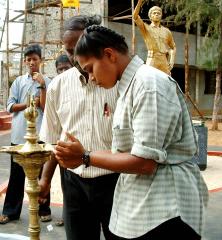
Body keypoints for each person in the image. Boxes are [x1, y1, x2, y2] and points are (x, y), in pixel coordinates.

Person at [54, 25, 209, 240]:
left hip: (165, 210)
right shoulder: (129, 86)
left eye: (90, 69)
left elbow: (144, 162)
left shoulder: (148, 85)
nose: (90, 78)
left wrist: (85, 157)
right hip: (144, 205)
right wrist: (83, 155)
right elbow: (124, 152)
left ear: (109, 54)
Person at [38, 15, 119, 240]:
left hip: (116, 181)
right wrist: (45, 180)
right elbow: (54, 142)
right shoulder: (58, 87)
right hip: (74, 183)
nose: (74, 57)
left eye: (79, 47)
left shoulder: (120, 83)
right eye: (69, 50)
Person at [0, 44, 51, 224]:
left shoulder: (48, 82)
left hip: (40, 136)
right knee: (16, 176)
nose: (31, 63)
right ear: (24, 62)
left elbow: (47, 108)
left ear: (41, 61)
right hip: (19, 136)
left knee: (41, 175)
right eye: (28, 60)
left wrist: (43, 87)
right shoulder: (19, 82)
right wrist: (29, 104)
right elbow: (10, 106)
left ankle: (43, 209)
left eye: (35, 59)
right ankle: (11, 211)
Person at [54, 53, 73, 227]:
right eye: (60, 70)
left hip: (80, 148)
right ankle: (66, 216)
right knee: (65, 185)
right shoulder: (56, 88)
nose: (63, 72)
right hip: (61, 146)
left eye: (66, 68)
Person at [133, 0, 176, 75]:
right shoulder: (146, 28)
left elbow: (173, 47)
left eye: (158, 13)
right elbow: (135, 17)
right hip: (152, 58)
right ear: (150, 16)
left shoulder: (166, 31)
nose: (156, 14)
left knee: (167, 80)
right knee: (149, 78)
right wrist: (139, 3)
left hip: (163, 60)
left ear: (161, 16)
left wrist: (172, 60)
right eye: (154, 13)